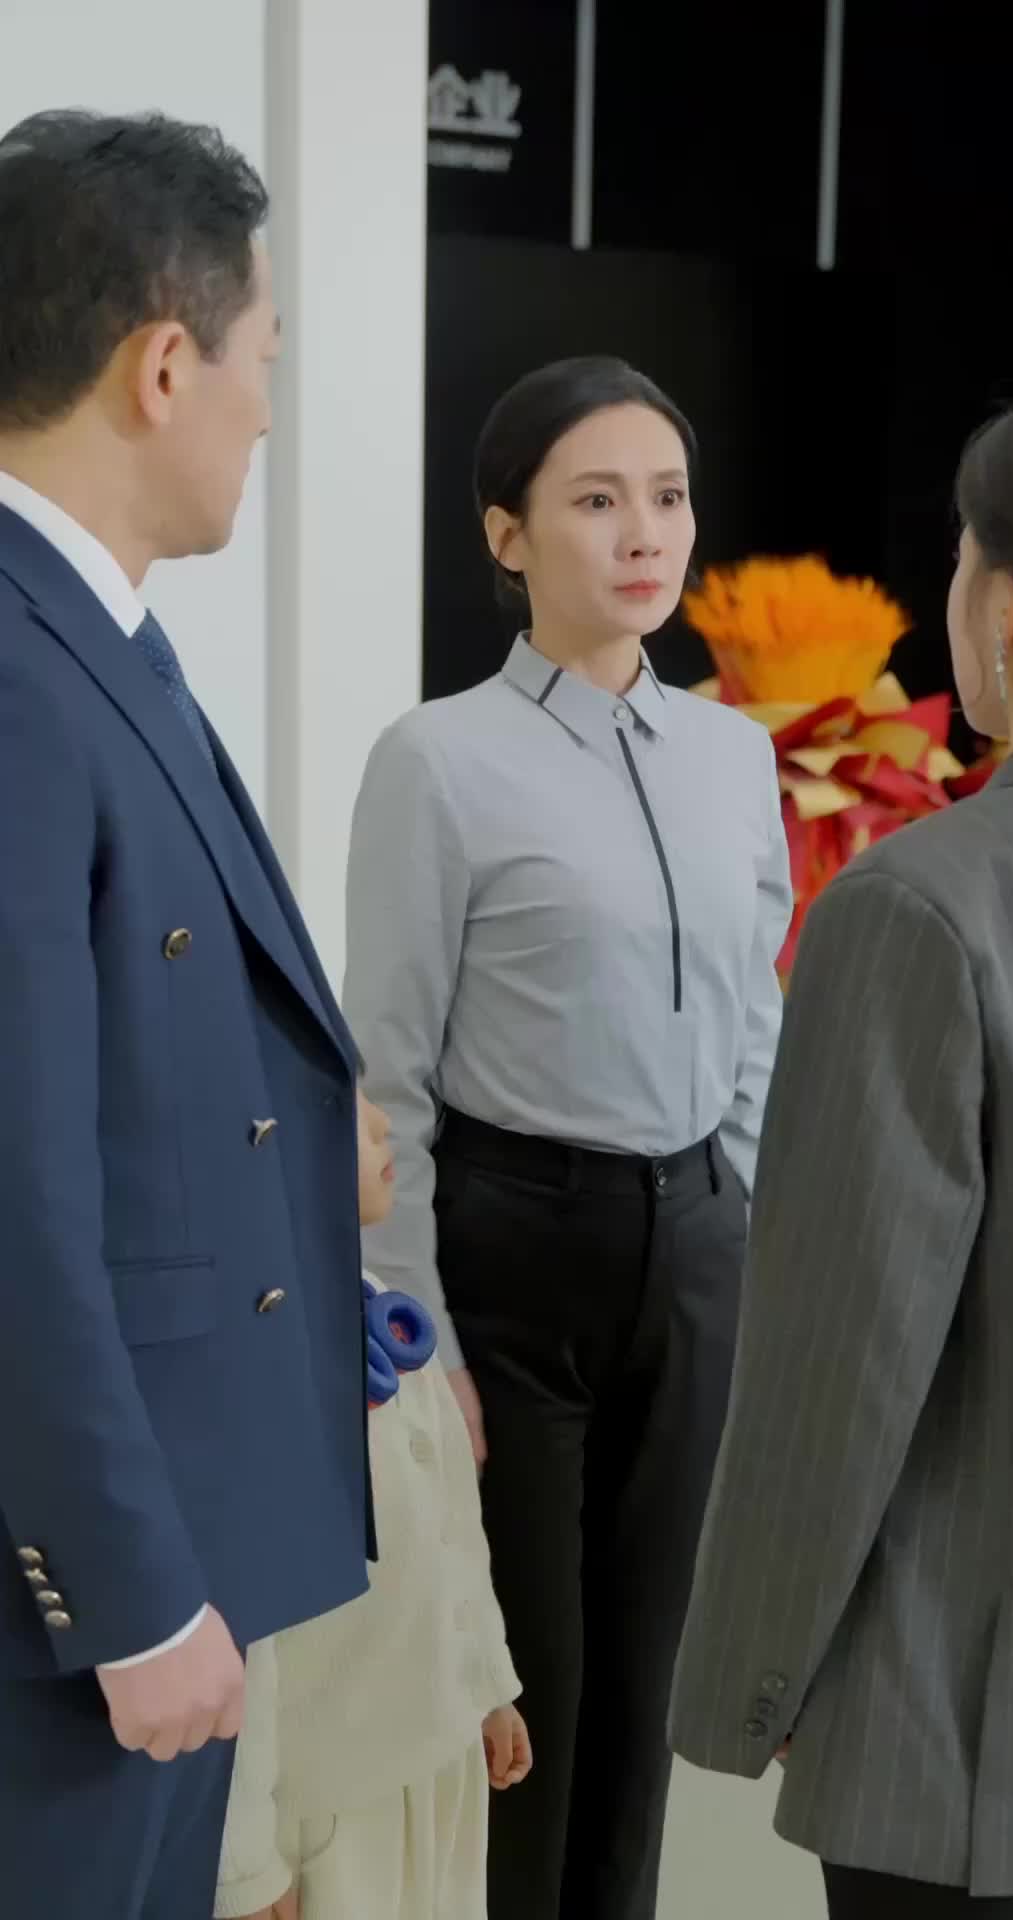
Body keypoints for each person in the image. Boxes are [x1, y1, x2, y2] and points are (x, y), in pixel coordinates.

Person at [344, 355, 792, 1920]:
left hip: (694, 1247)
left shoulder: (736, 757)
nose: (643, 533)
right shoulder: (437, 759)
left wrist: (740, 1211)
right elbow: (388, 1072)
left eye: (667, 497)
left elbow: (754, 1011)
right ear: (506, 533)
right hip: (511, 1256)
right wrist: (421, 1332)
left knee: (651, 1695)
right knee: (525, 1699)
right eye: (596, 500)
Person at [0, 111, 372, 1918]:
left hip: (161, 1538)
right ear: (164, 365)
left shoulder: (89, 641)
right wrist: (128, 1591)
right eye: (264, 359)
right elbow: (13, 1188)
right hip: (72, 1610)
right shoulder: (17, 670)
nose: (268, 411)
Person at [669, 369, 1013, 1916]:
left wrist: (748, 1683)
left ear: (1008, 603)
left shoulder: (918, 909)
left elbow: (835, 1366)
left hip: (975, 1742)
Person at [215, 1092, 532, 1920]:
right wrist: (246, 1863)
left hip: (436, 1764)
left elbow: (455, 1531)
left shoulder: (390, 1319)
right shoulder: (254, 1365)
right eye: (349, 1101)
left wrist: (487, 1682)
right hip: (327, 1801)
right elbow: (244, 1630)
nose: (383, 1122)